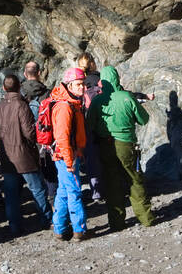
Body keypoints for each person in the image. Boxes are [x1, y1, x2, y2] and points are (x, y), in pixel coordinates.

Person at [88, 65, 157, 230]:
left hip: (105, 145)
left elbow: (89, 124)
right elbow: (143, 119)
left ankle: (117, 222)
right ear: (117, 78)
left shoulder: (97, 100)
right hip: (126, 144)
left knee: (112, 182)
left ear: (102, 82)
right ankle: (146, 218)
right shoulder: (127, 97)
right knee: (134, 179)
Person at [0, 73, 52, 236]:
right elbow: (29, 132)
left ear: (4, 88)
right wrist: (33, 146)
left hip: (8, 157)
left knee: (11, 194)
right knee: (37, 189)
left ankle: (14, 226)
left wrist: (1, 150)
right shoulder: (22, 105)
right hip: (24, 155)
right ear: (19, 86)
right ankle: (46, 219)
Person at [49, 67, 88, 242]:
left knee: (64, 191)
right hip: (66, 156)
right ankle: (79, 230)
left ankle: (59, 228)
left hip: (65, 155)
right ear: (70, 85)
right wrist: (70, 160)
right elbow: (62, 137)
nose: (83, 88)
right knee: (74, 192)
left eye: (84, 84)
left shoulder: (70, 102)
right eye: (79, 84)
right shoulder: (65, 107)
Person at [76, 53, 104, 202]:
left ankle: (96, 192)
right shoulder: (99, 81)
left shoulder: (77, 83)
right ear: (92, 63)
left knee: (90, 159)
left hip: (84, 125)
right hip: (102, 123)